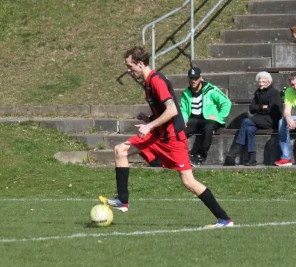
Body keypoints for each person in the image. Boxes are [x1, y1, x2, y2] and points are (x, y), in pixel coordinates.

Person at [99, 47, 233, 228]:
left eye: (130, 67)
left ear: (140, 64)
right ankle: (123, 200)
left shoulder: (157, 81)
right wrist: (149, 119)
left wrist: (149, 126)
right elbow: (164, 112)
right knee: (120, 150)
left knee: (189, 181)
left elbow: (172, 110)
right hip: (159, 135)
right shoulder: (147, 83)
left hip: (173, 139)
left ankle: (224, 219)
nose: (129, 71)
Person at [225, 71, 282, 166]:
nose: (261, 84)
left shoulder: (274, 92)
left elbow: (272, 110)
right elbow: (252, 109)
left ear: (269, 82)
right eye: (259, 82)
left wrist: (261, 108)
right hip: (259, 119)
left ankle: (237, 148)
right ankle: (252, 158)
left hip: (271, 120)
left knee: (246, 121)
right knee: (249, 129)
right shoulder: (258, 92)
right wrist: (261, 107)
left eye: (263, 82)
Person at [180, 66, 232, 165]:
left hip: (209, 119)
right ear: (188, 79)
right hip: (193, 120)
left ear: (200, 78)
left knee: (209, 127)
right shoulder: (185, 93)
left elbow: (227, 102)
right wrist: (184, 119)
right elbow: (183, 110)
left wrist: (219, 117)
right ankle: (176, 155)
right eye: (191, 78)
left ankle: (200, 156)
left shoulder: (211, 90)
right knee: (177, 129)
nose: (193, 81)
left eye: (196, 78)